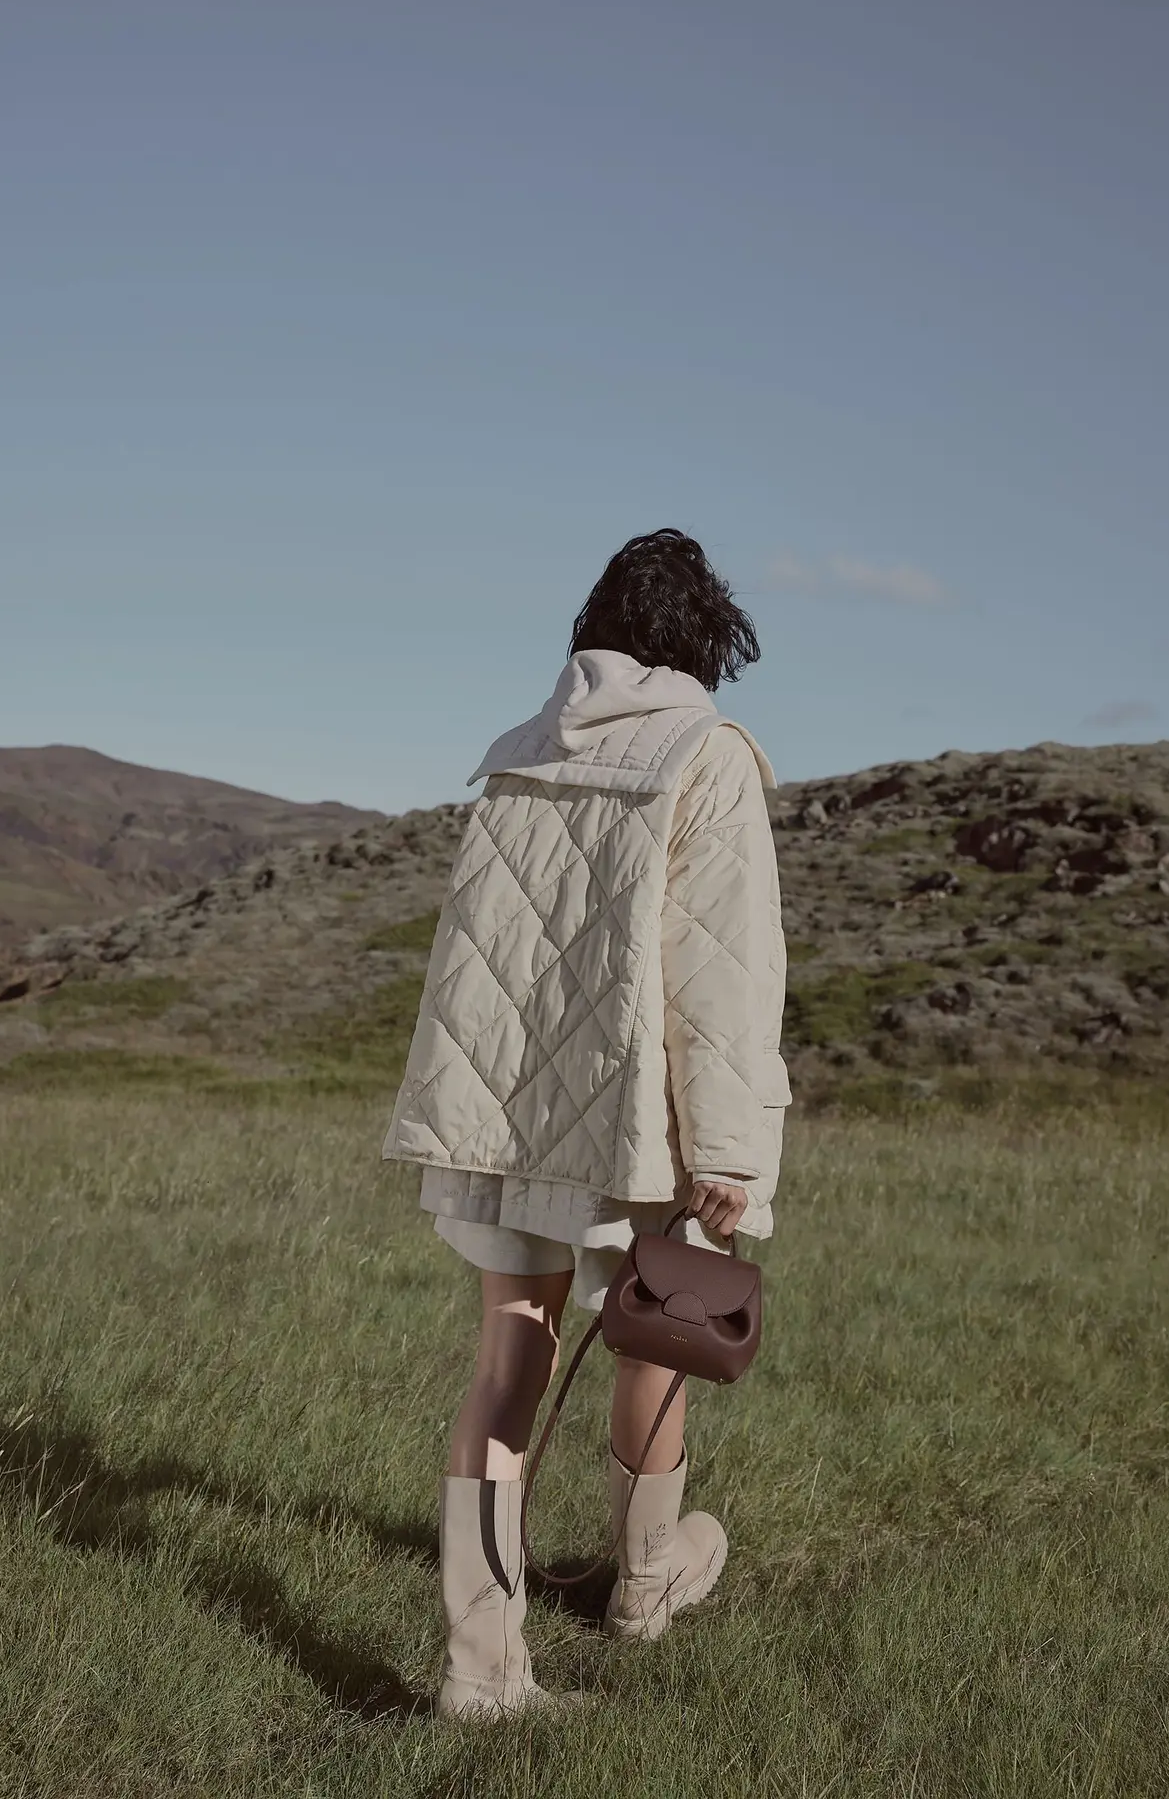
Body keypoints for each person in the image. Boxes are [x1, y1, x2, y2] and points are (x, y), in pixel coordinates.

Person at [382, 527, 790, 1718]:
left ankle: (480, 1671)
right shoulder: (706, 753)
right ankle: (644, 1585)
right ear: (705, 640)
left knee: (506, 1356)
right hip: (628, 1122)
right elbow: (720, 972)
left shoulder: (518, 751)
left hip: (503, 1111)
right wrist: (727, 1151)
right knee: (653, 1337)